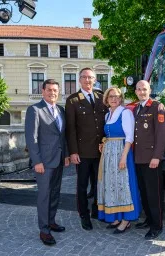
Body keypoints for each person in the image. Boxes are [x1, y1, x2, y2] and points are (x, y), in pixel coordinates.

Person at [25, 79, 69, 245]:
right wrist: (36, 161)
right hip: (43, 162)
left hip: (58, 160)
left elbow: (62, 136)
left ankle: (51, 221)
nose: (53, 93)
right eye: (49, 90)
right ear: (42, 91)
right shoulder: (35, 110)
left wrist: (65, 155)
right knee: (44, 196)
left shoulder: (60, 110)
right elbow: (32, 138)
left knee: (55, 193)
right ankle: (44, 231)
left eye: (55, 90)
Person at [65, 67, 108, 230]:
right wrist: (73, 151)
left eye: (90, 78)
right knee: (82, 185)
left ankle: (97, 210)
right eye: (84, 77)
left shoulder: (101, 97)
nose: (87, 80)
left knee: (99, 183)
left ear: (95, 80)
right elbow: (71, 129)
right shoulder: (73, 100)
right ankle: (84, 214)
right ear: (79, 80)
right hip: (82, 152)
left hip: (100, 151)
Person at [97, 87, 141, 234]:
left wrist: (123, 157)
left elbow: (129, 137)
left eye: (116, 96)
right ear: (106, 100)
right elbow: (109, 134)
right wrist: (104, 143)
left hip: (122, 152)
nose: (114, 99)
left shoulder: (126, 112)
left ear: (121, 98)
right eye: (111, 97)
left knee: (123, 184)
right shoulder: (108, 115)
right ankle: (116, 216)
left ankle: (126, 219)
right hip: (109, 154)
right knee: (112, 184)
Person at [133, 80, 165, 240]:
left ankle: (157, 225)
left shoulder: (157, 107)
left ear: (150, 90)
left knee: (154, 193)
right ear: (135, 91)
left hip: (151, 159)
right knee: (144, 192)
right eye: (139, 89)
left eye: (144, 89)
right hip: (139, 158)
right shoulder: (136, 108)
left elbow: (162, 134)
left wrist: (157, 156)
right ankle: (148, 219)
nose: (142, 92)